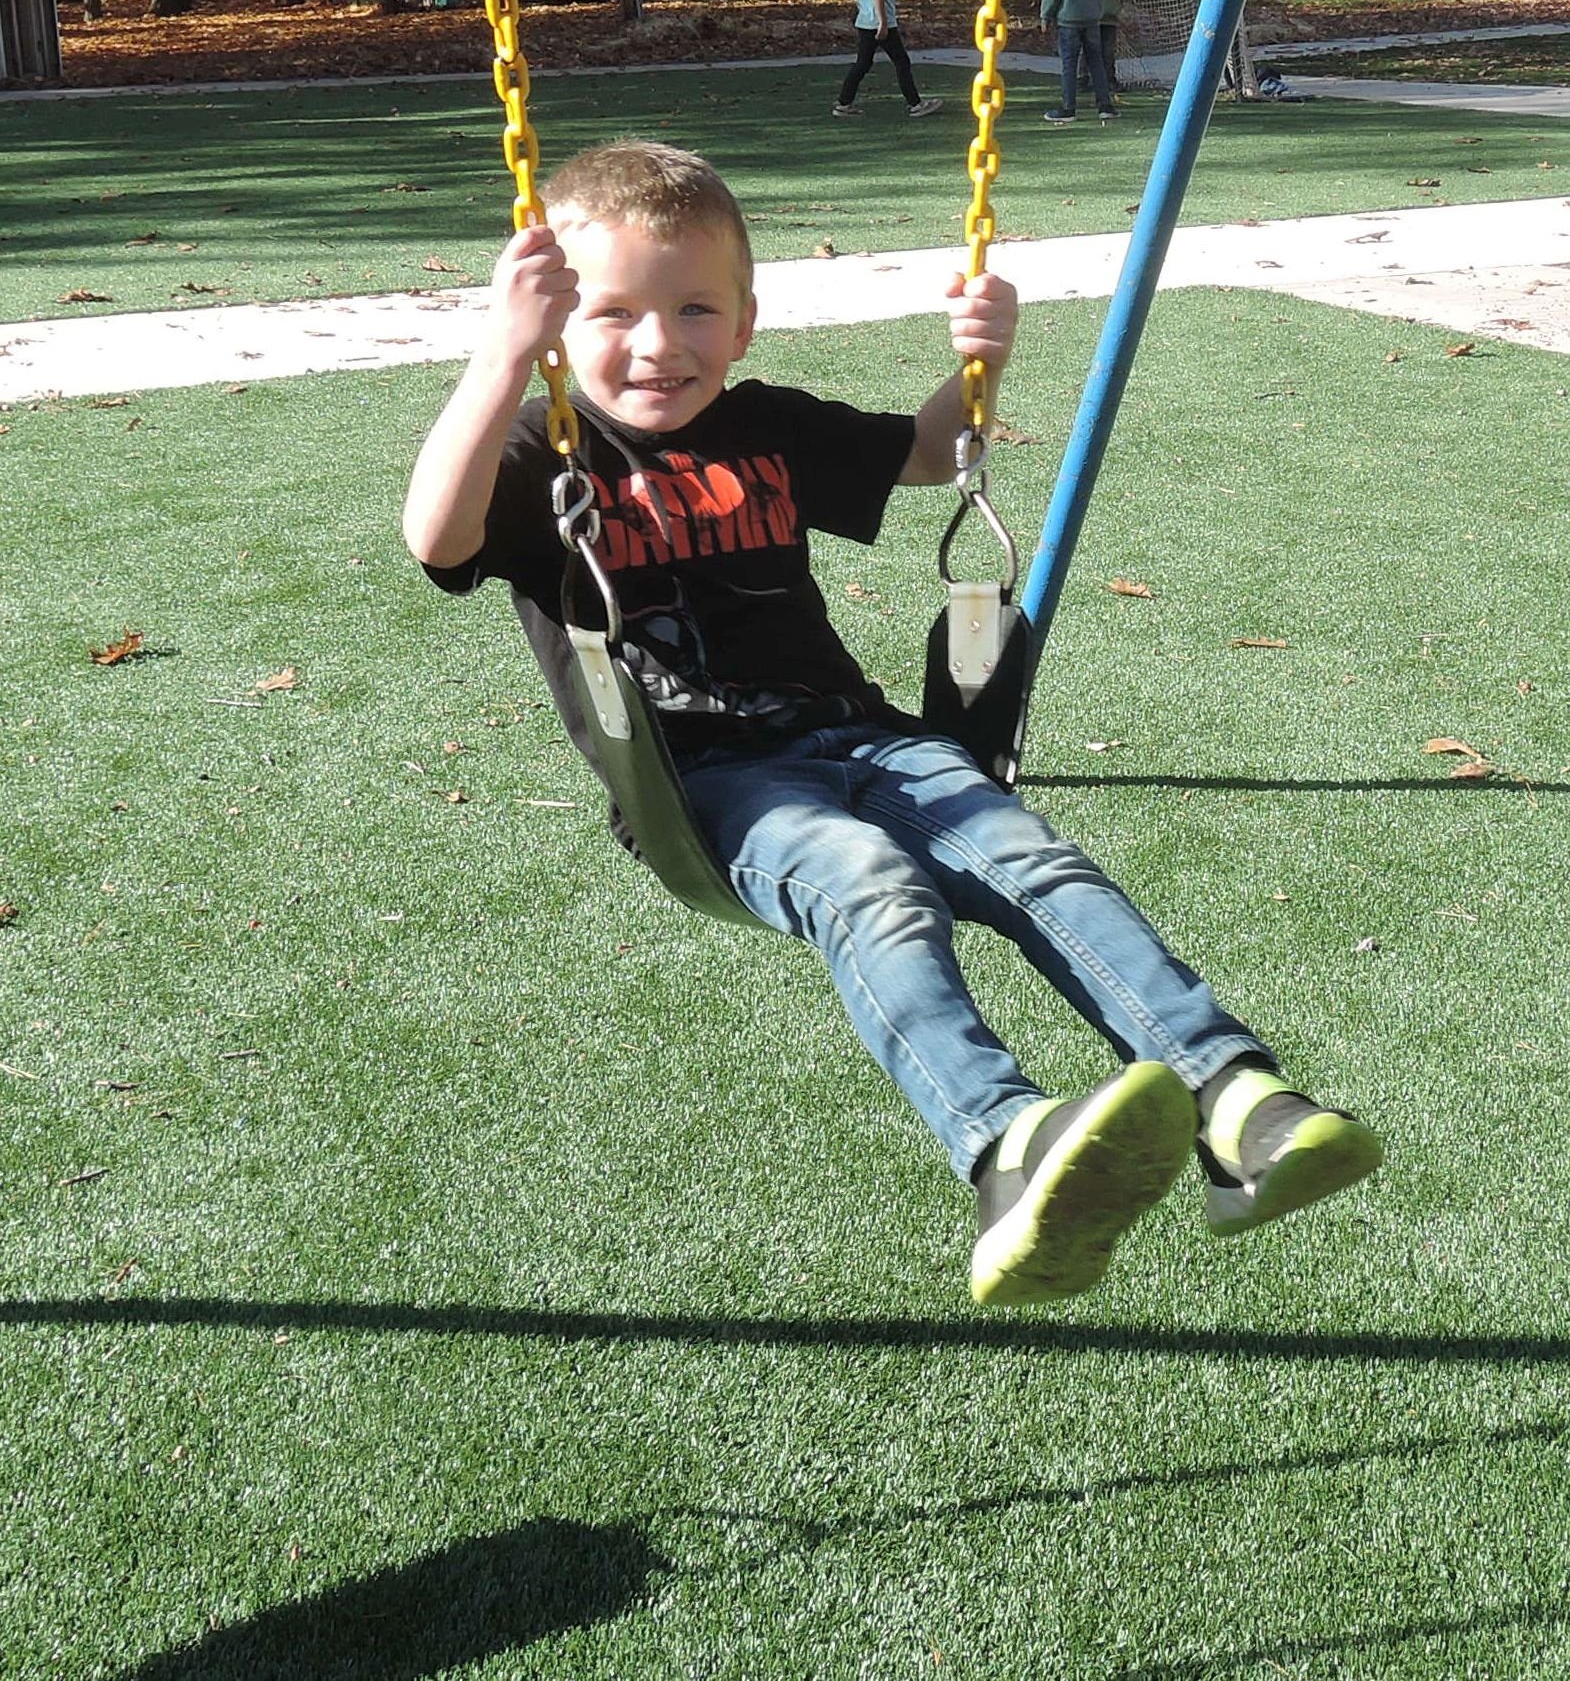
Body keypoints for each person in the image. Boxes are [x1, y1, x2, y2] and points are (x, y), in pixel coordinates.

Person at [403, 140, 1382, 1309]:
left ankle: (1237, 1104)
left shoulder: (766, 425)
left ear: (745, 321)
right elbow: (438, 538)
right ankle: (1008, 1148)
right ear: (560, 321)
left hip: (863, 737)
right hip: (708, 781)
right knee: (870, 881)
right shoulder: (539, 449)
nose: (660, 344)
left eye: (694, 308)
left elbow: (931, 455)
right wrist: (503, 356)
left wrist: (980, 363)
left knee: (1034, 860)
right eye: (612, 313)